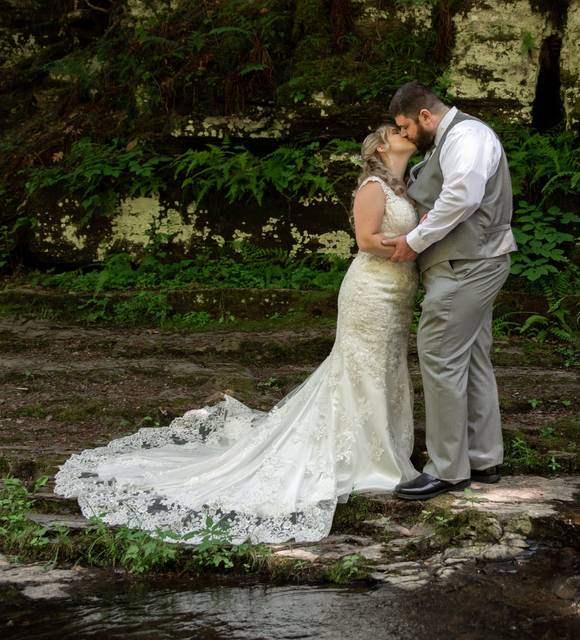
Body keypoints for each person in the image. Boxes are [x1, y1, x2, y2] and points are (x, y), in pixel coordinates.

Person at [53, 125, 422, 544]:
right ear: (380, 146)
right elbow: (366, 240)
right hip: (370, 291)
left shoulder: (404, 187)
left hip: (397, 293)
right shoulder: (372, 187)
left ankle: (382, 447)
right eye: (396, 130)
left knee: (387, 366)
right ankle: (368, 458)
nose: (405, 132)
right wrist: (413, 240)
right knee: (362, 368)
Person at [383, 82, 517, 501]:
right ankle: (483, 459)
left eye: (405, 127)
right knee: (472, 356)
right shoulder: (448, 142)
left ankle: (446, 469)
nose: (404, 136)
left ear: (425, 116)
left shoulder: (468, 136)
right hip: (467, 263)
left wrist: (416, 240)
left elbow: (462, 196)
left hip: (468, 264)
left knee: (439, 353)